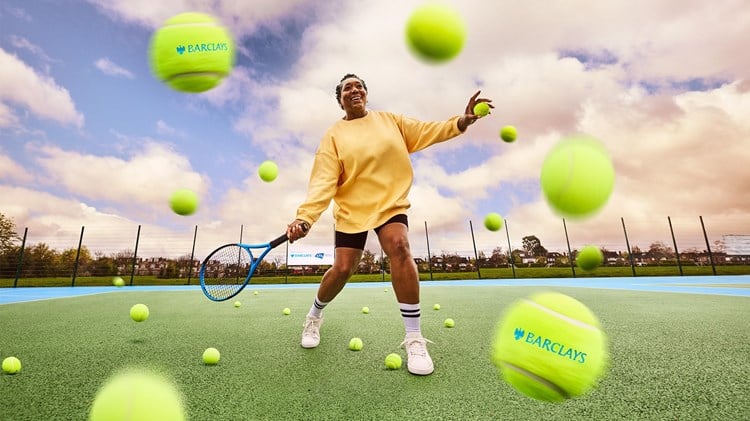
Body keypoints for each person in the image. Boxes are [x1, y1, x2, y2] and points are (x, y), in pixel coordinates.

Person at [286, 73, 492, 376]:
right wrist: (305, 217)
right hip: (352, 210)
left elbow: (427, 131)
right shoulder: (333, 135)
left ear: (366, 94)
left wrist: (462, 121)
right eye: (346, 88)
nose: (353, 90)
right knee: (343, 269)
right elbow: (323, 181)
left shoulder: (390, 121)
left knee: (400, 246)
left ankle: (414, 338)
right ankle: (314, 316)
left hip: (390, 203)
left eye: (359, 86)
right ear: (340, 99)